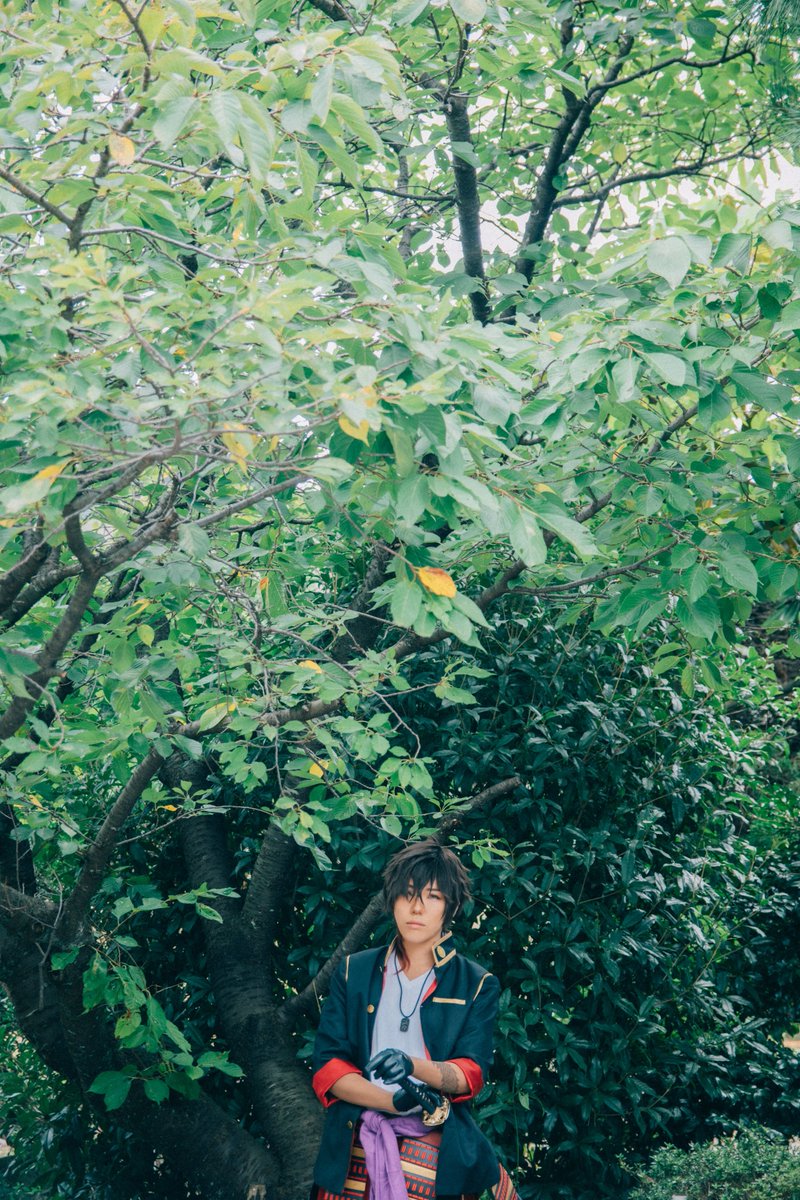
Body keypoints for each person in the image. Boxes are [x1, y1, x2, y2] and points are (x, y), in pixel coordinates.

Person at [310, 838, 518, 1200]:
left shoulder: (476, 983)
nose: (417, 908)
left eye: (433, 896)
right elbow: (328, 1067)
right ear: (392, 899)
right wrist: (391, 1102)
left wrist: (412, 1067)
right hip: (354, 1146)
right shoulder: (354, 971)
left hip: (437, 1150)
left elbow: (470, 1073)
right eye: (407, 894)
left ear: (451, 907)